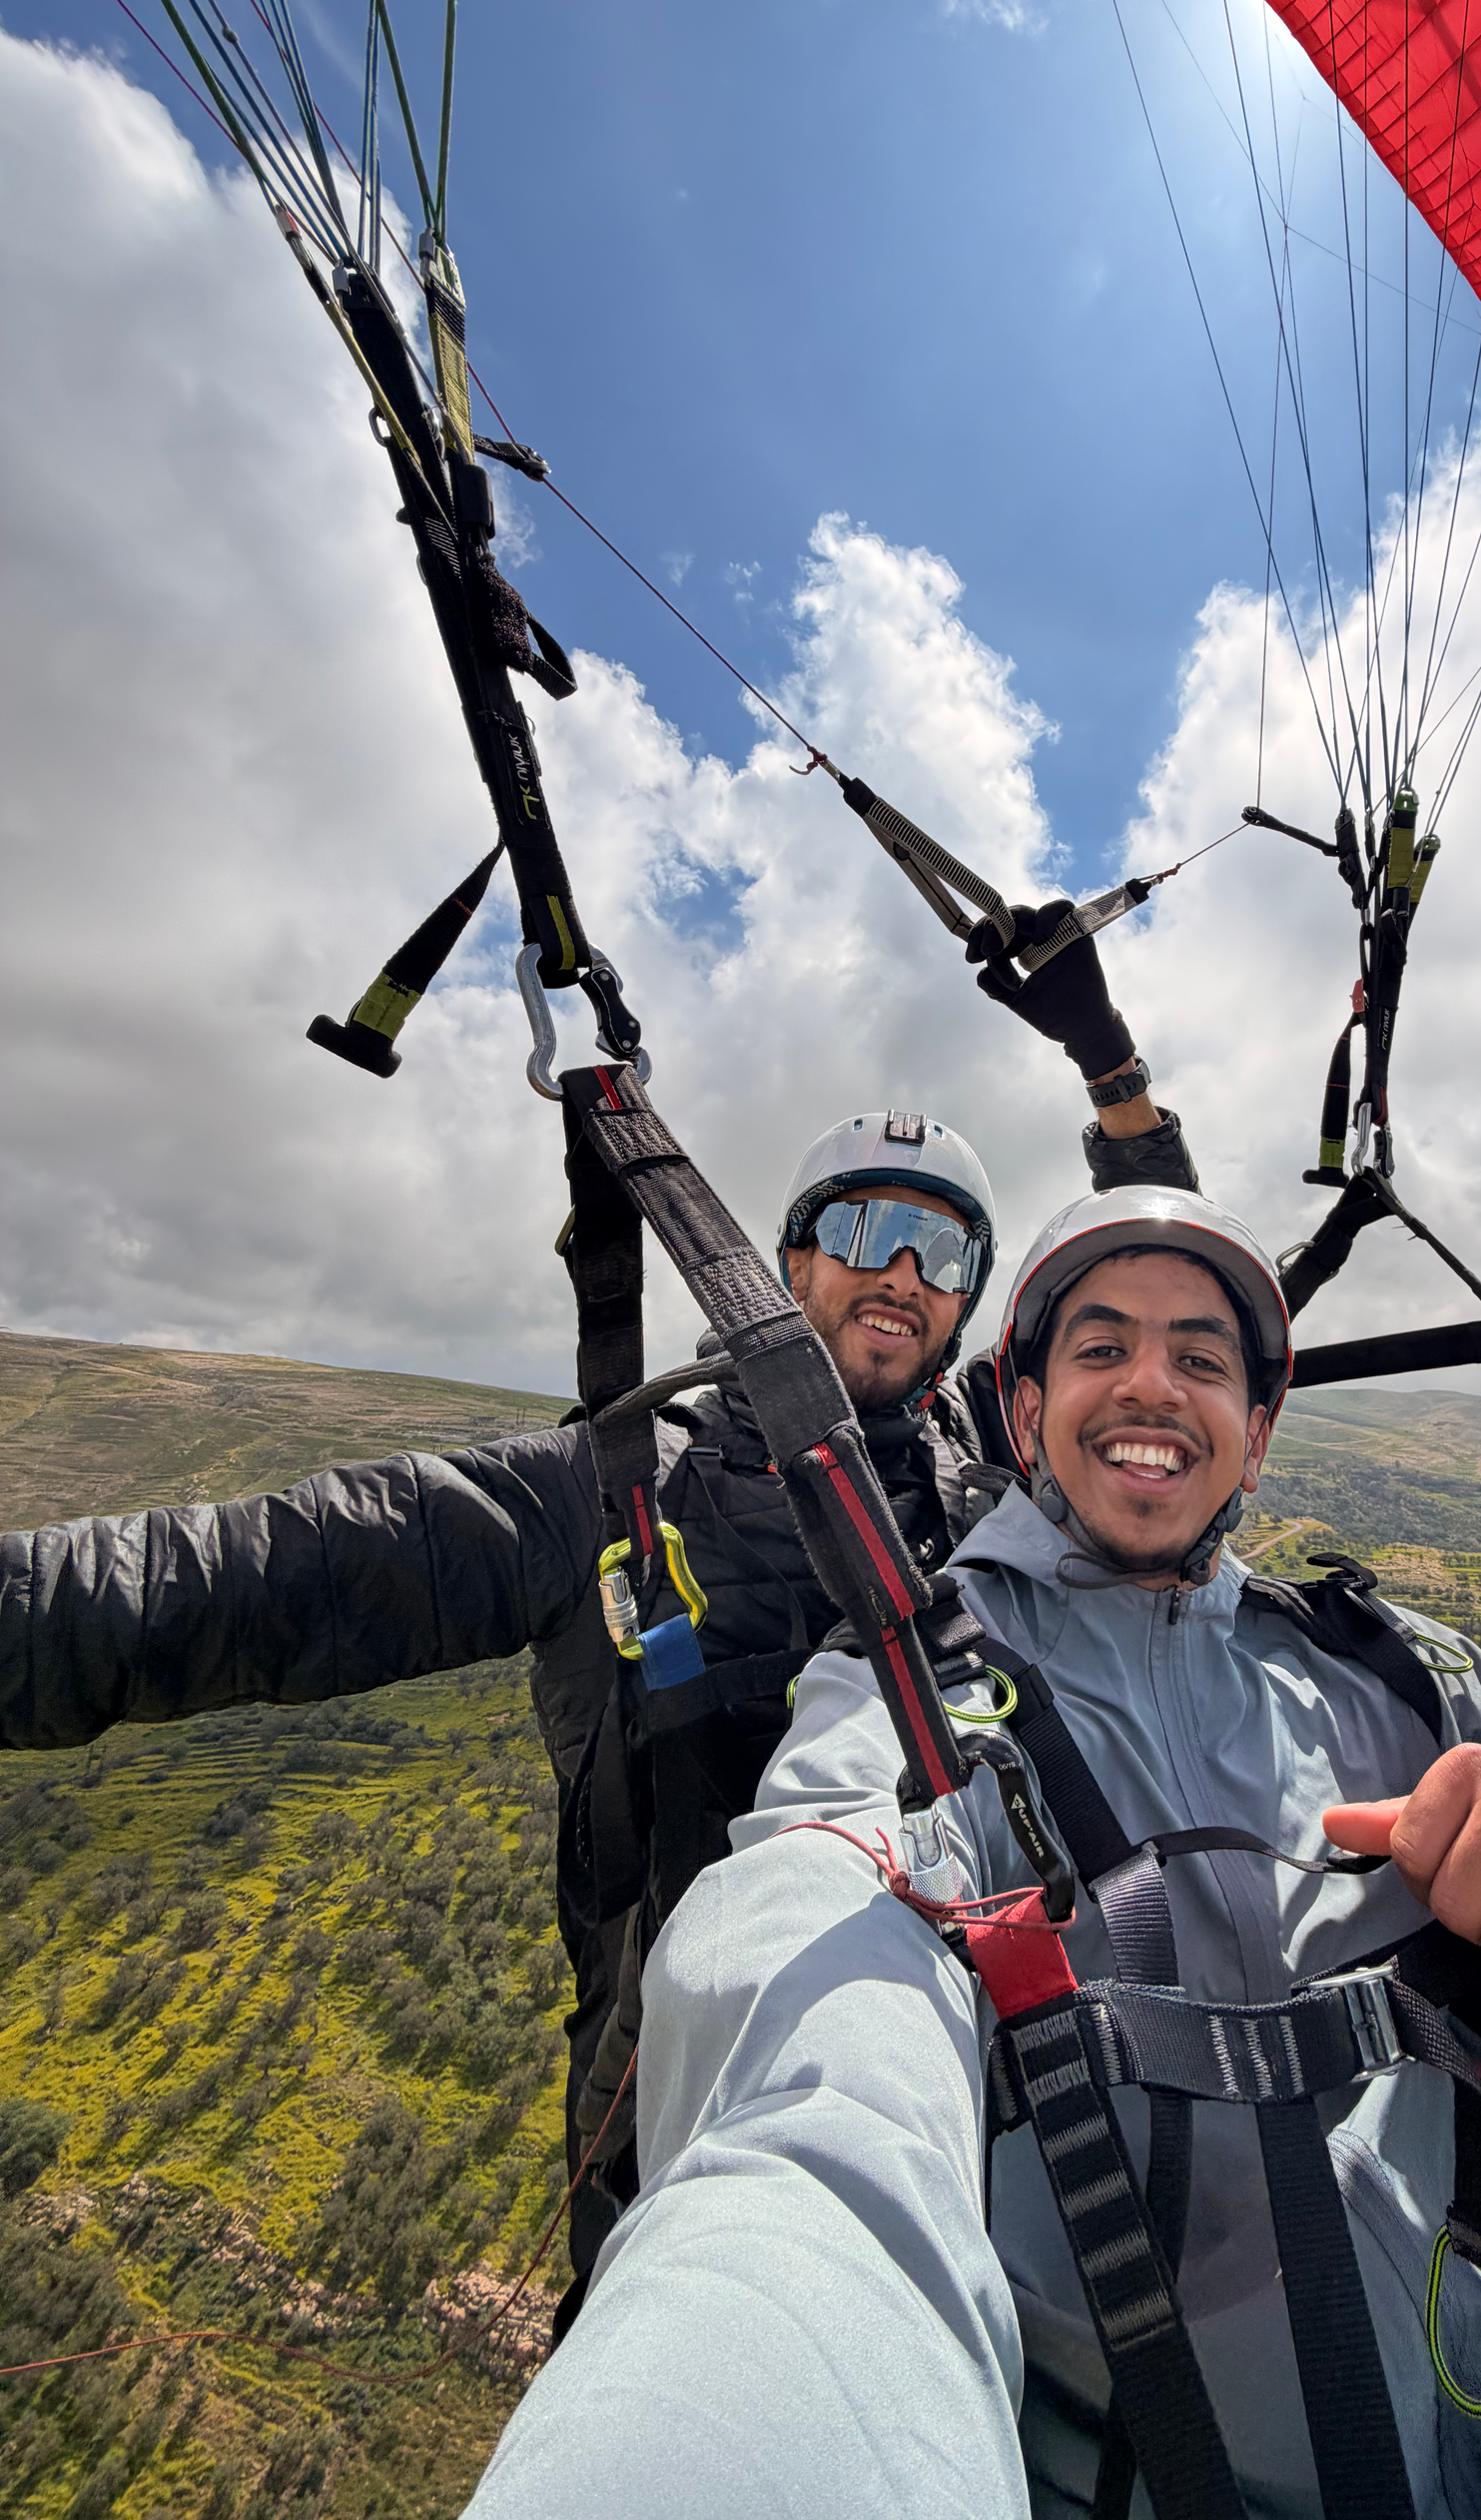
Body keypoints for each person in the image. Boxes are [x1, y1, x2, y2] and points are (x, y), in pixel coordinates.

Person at [461, 1186, 1481, 2520]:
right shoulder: (906, 1704)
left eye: (1202, 1356)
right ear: (1025, 1410)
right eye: (1102, 1346)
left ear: (1258, 1427)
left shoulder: (1395, 1674)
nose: (1151, 1384)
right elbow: (808, 2017)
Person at [0, 907, 1198, 2325]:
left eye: (941, 1253)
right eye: (863, 1229)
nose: (901, 1275)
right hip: (680, 2093)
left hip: (984, 2073)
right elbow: (264, 1574)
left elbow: (1162, 1320)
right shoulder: (618, 1484)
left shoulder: (995, 1474)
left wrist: (1113, 1074)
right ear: (787, 1262)